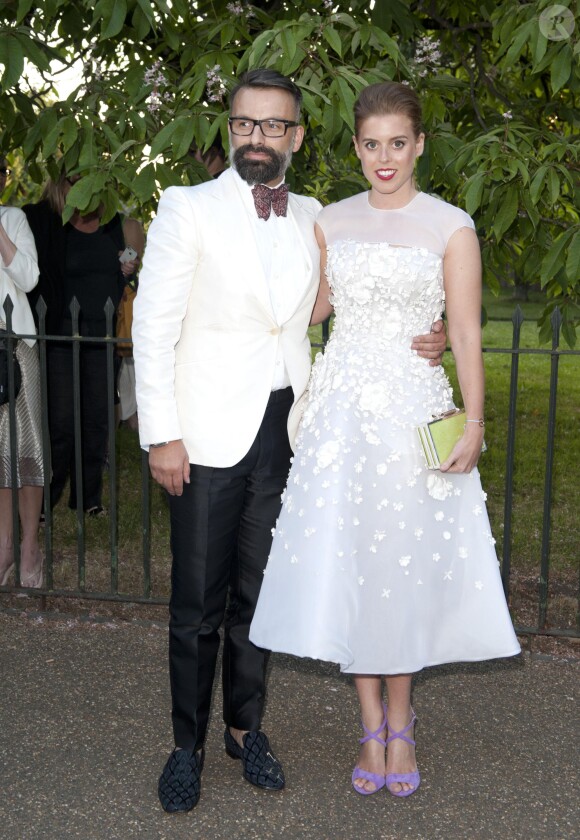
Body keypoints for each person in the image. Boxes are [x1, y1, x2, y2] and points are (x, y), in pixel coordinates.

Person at [132, 69, 446, 814]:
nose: (258, 139)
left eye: (274, 126)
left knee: (258, 598)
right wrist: (162, 434)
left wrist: (428, 338)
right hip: (204, 433)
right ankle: (187, 747)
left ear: (297, 136)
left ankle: (247, 729)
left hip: (290, 428)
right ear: (229, 130)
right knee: (196, 604)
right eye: (245, 125)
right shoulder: (186, 208)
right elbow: (152, 326)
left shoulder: (315, 216)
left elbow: (348, 300)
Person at [250, 82, 520, 799]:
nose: (385, 158)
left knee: (400, 568)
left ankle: (401, 722)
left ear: (420, 144)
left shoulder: (449, 225)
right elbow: (305, 313)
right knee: (353, 564)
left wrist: (478, 421)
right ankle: (369, 723)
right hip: (339, 422)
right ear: (356, 148)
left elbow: (463, 331)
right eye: (371, 144)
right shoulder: (329, 224)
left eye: (398, 142)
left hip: (415, 415)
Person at [23, 176, 144, 516]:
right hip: (61, 337)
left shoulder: (113, 225)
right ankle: (46, 498)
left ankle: (88, 499)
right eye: (75, 181)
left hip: (102, 337)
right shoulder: (53, 227)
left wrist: (127, 266)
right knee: (60, 423)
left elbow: (126, 270)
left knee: (97, 422)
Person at [0, 167, 44, 588]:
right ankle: (5, 545)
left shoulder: (13, 218)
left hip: (14, 349)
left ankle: (31, 542)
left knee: (26, 449)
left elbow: (29, 278)